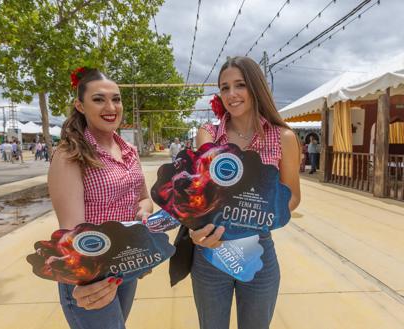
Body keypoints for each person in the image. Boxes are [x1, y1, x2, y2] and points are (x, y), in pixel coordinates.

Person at [182, 56, 301, 329]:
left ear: (256, 87)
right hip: (212, 249)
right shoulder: (208, 134)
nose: (232, 95)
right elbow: (200, 196)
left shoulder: (283, 137)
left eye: (240, 85)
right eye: (225, 88)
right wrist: (194, 228)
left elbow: (292, 195)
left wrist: (260, 214)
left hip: (259, 251)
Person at [48, 67, 153, 329]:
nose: (110, 106)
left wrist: (143, 217)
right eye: (98, 99)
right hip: (90, 273)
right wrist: (87, 281)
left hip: (125, 266)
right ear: (80, 106)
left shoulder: (129, 150)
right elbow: (72, 234)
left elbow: (143, 198)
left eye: (116, 99)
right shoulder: (70, 155)